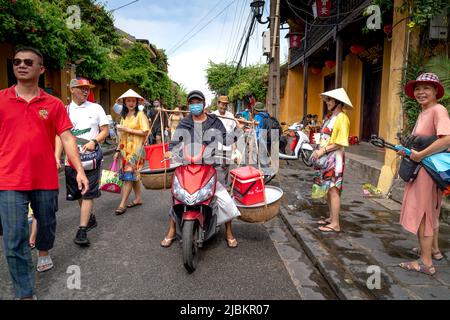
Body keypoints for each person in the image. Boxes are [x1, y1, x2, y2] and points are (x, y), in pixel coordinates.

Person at [0, 47, 88, 299]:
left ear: (41, 69)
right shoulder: (1, 99)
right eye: (17, 61)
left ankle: (44, 250)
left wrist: (79, 170)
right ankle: (25, 293)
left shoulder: (53, 104)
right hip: (8, 179)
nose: (21, 65)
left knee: (47, 224)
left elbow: (68, 139)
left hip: (45, 178)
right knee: (14, 238)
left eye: (29, 62)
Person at [161, 90, 245, 248]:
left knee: (224, 198)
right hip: (188, 166)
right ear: (188, 105)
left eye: (197, 102)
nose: (195, 106)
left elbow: (226, 140)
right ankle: (171, 230)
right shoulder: (185, 122)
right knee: (177, 197)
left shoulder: (214, 122)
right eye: (191, 103)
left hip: (211, 165)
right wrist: (170, 150)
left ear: (204, 104)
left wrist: (238, 130)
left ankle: (229, 232)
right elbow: (175, 141)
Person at [397, 73, 450, 276]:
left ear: (436, 91)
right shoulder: (424, 112)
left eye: (427, 88)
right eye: (418, 88)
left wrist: (419, 155)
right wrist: (408, 150)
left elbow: (446, 140)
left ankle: (425, 262)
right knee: (425, 212)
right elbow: (423, 141)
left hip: (428, 171)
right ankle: (431, 251)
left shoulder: (438, 110)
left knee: (424, 214)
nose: (421, 92)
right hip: (421, 169)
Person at [55, 78, 109, 246]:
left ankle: (82, 229)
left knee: (87, 193)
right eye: (81, 88)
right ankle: (89, 217)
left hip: (91, 160)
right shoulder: (64, 110)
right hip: (71, 161)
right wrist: (57, 156)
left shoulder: (96, 108)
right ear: (72, 90)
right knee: (79, 193)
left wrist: (94, 141)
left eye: (87, 88)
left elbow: (105, 130)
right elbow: (59, 135)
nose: (85, 91)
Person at [311, 88, 351, 234]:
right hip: (327, 157)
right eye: (327, 99)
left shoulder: (342, 118)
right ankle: (331, 217)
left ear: (338, 102)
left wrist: (322, 151)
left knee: (334, 189)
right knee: (328, 189)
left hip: (335, 158)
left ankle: (335, 223)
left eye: (330, 100)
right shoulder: (330, 117)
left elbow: (340, 142)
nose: (327, 102)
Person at [114, 89, 150, 215]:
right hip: (125, 151)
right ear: (124, 102)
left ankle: (122, 204)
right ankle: (138, 198)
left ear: (136, 102)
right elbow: (122, 135)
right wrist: (118, 150)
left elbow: (146, 132)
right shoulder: (123, 117)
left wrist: (128, 130)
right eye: (128, 100)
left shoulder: (140, 115)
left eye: (133, 100)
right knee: (133, 176)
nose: (131, 103)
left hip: (137, 151)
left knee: (128, 176)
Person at [212, 95, 236, 185]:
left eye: (226, 105)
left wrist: (234, 147)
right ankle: (214, 185)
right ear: (218, 104)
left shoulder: (230, 116)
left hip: (227, 146)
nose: (224, 107)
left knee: (226, 167)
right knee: (215, 167)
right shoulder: (213, 116)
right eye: (222, 104)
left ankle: (225, 185)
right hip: (215, 146)